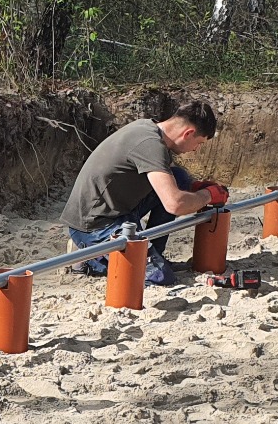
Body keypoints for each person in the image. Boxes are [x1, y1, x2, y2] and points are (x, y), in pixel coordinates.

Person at [59, 102, 228, 286]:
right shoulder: (151, 145)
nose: (196, 149)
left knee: (180, 179)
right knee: (160, 277)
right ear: (188, 133)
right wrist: (208, 195)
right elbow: (175, 204)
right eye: (199, 143)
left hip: (116, 210)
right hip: (94, 225)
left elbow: (167, 182)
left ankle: (154, 255)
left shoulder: (148, 129)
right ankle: (88, 259)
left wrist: (194, 189)